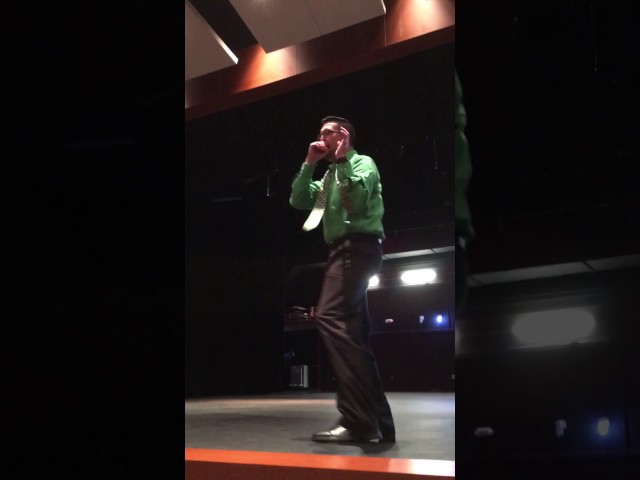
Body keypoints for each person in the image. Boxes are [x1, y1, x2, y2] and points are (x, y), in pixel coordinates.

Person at [289, 116, 395, 443]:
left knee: (331, 317)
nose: (321, 137)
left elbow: (358, 202)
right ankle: (377, 422)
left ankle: (359, 420)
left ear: (344, 135)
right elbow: (298, 200)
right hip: (342, 251)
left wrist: (344, 159)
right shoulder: (328, 175)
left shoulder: (362, 163)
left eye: (328, 132)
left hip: (356, 248)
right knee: (353, 334)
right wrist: (310, 162)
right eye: (319, 132)